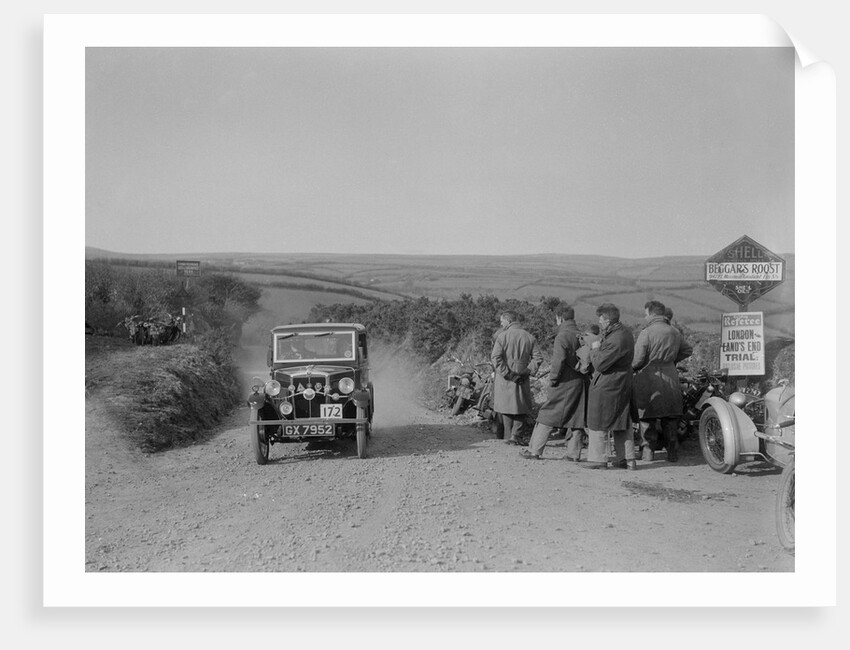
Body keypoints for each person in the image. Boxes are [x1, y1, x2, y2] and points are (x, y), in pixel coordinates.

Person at [520, 305, 587, 461]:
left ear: (559, 318)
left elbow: (558, 362)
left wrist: (553, 380)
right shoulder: (581, 334)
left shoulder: (562, 336)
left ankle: (535, 450)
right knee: (577, 417)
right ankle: (573, 454)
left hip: (564, 382)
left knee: (546, 414)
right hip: (581, 382)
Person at [632, 300, 694, 462]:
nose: (645, 317)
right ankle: (672, 453)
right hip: (671, 377)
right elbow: (687, 350)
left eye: (646, 314)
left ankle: (648, 453)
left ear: (652, 314)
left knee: (647, 418)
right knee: (670, 418)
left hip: (648, 378)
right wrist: (671, 361)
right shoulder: (674, 332)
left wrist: (632, 369)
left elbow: (637, 360)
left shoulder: (646, 332)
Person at [584, 303, 636, 470]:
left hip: (608, 384)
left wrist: (595, 349)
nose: (599, 322)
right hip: (623, 382)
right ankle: (627, 459)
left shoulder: (615, 339)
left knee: (598, 418)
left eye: (601, 319)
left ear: (607, 320)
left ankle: (598, 459)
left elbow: (600, 364)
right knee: (622, 420)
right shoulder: (626, 333)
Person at [490, 311, 543, 445]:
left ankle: (508, 436)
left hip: (505, 378)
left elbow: (495, 357)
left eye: (502, 321)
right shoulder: (529, 337)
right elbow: (538, 358)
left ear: (508, 321)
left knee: (505, 407)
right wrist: (527, 371)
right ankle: (516, 436)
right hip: (522, 377)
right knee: (521, 407)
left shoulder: (502, 336)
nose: (501, 324)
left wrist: (507, 373)